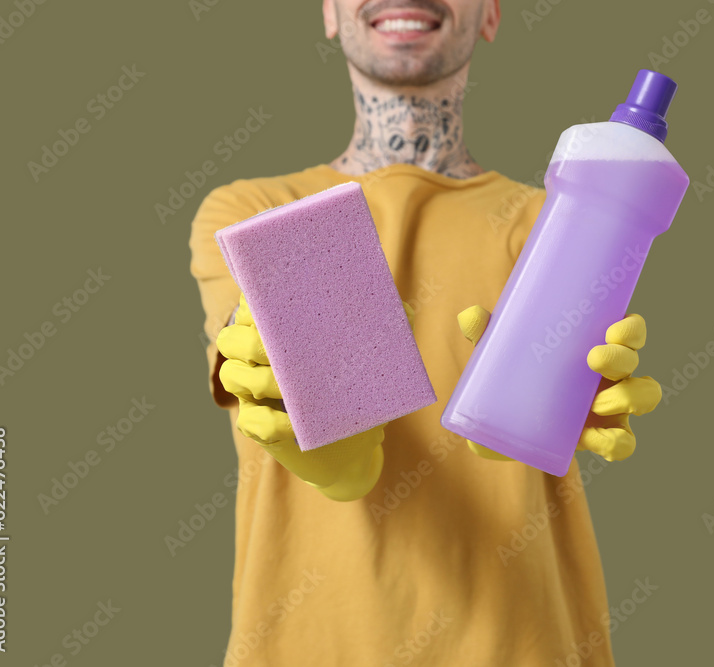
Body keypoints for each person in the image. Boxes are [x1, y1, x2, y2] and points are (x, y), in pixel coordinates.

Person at [188, 1, 662, 664]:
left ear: (490, 14)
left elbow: (550, 419)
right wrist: (318, 433)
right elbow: (339, 462)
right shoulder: (257, 215)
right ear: (329, 12)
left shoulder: (550, 226)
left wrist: (568, 403)